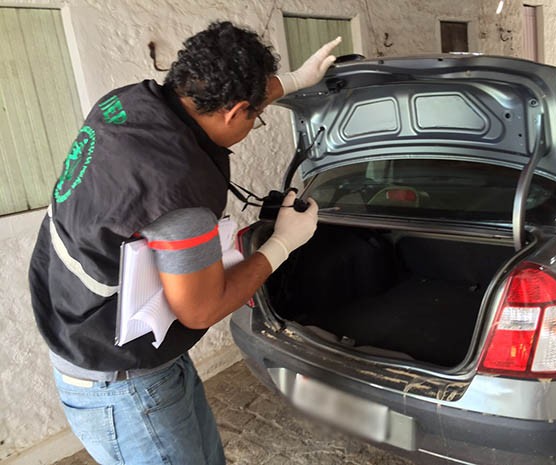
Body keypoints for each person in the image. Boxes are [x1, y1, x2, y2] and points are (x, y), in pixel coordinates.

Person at [28, 21, 342, 465]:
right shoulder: (179, 195)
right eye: (256, 117)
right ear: (236, 111)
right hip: (120, 382)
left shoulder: (124, 104)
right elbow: (200, 309)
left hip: (107, 338)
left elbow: (231, 100)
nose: (254, 124)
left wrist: (293, 82)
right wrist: (283, 244)